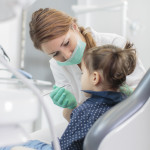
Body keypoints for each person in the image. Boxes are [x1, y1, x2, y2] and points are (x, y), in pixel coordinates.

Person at [0, 43, 137, 150]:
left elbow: (65, 147)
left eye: (83, 73)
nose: (81, 77)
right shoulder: (125, 102)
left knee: (7, 145)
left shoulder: (86, 111)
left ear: (95, 77)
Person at [29, 8, 145, 117]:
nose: (67, 55)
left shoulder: (115, 44)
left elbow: (144, 94)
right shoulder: (56, 65)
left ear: (74, 27)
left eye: (66, 43)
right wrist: (71, 106)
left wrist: (126, 93)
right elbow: (75, 117)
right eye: (55, 54)